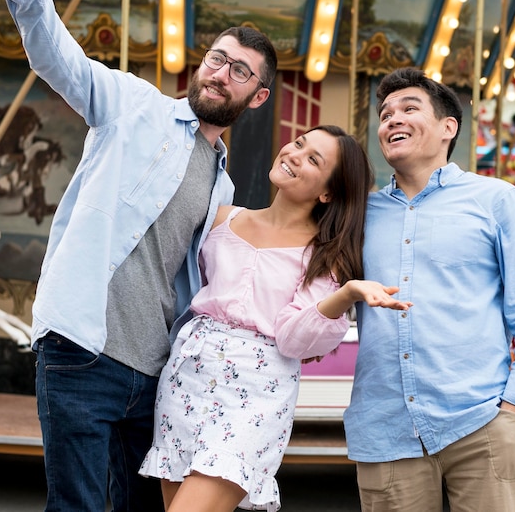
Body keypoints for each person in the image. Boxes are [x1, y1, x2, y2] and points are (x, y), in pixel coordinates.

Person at [0, 0, 277, 512]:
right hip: (82, 348)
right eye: (217, 59)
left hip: (154, 372)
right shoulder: (133, 105)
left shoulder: (222, 183)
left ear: (258, 97)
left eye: (240, 71)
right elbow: (59, 59)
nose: (221, 72)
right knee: (77, 506)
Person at [139, 125, 412, 512]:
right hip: (187, 376)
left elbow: (294, 340)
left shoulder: (323, 255)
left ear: (327, 192)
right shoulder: (220, 219)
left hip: (256, 389)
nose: (295, 154)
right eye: (299, 143)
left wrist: (344, 295)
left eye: (313, 159)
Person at [344, 67, 515, 511]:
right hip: (386, 428)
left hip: (481, 419)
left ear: (449, 128)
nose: (393, 120)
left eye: (409, 108)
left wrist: (514, 406)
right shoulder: (359, 214)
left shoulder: (497, 200)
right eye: (385, 114)